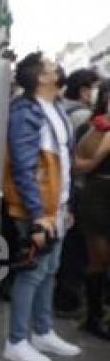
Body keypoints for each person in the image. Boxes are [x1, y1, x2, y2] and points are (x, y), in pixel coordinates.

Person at [1, 52, 82, 361]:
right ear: (40, 78)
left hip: (56, 207)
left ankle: (42, 331)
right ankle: (17, 340)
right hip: (37, 210)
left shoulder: (57, 109)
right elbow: (23, 167)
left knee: (49, 271)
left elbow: (64, 164)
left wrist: (67, 205)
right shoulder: (24, 112)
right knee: (32, 273)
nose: (57, 69)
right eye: (51, 66)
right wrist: (37, 215)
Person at [53, 69, 101, 316]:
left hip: (72, 192)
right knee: (80, 255)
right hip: (83, 194)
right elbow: (80, 161)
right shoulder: (87, 120)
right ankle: (70, 302)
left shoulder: (64, 111)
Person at [73, 79, 110, 339]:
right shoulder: (94, 126)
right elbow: (79, 163)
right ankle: (94, 317)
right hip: (98, 194)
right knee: (99, 259)